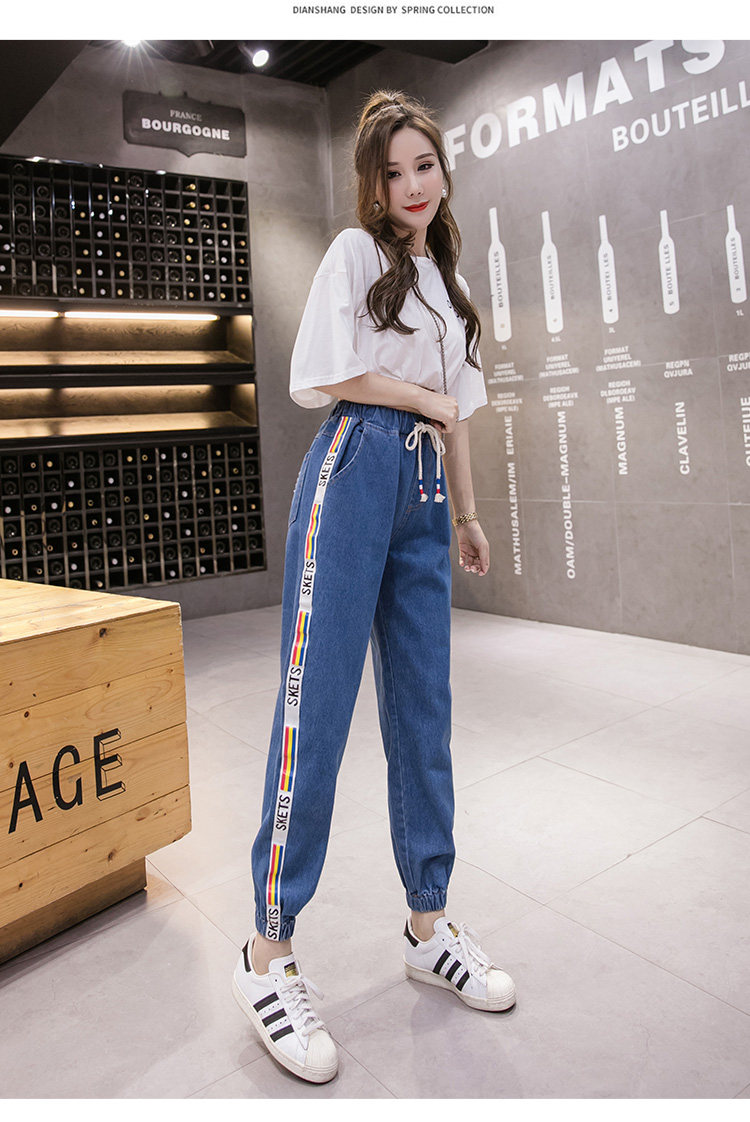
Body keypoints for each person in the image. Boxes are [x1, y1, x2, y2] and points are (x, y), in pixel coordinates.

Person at [232, 88, 516, 1084]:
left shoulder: (449, 282)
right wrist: (421, 396)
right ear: (373, 184)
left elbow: (457, 414)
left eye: (423, 166)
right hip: (353, 470)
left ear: (443, 170)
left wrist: (468, 515)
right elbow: (331, 373)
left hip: (426, 495)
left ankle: (428, 926)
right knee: (315, 708)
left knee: (424, 714)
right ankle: (267, 948)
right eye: (392, 173)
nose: (411, 186)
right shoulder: (356, 256)